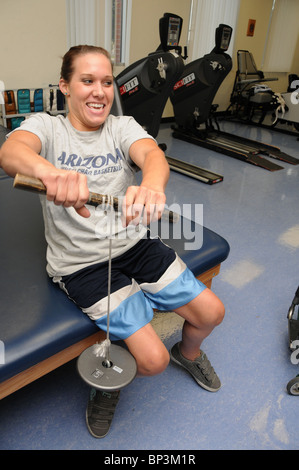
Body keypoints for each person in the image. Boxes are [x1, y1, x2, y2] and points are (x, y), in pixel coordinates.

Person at [0, 45, 225, 438]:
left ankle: (188, 354)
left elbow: (151, 154)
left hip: (135, 245)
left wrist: (152, 185)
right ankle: (106, 387)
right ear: (65, 86)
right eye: (87, 80)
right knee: (150, 361)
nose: (99, 91)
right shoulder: (46, 126)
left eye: (106, 81)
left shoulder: (122, 127)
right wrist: (49, 173)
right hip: (82, 265)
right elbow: (11, 151)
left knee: (212, 312)